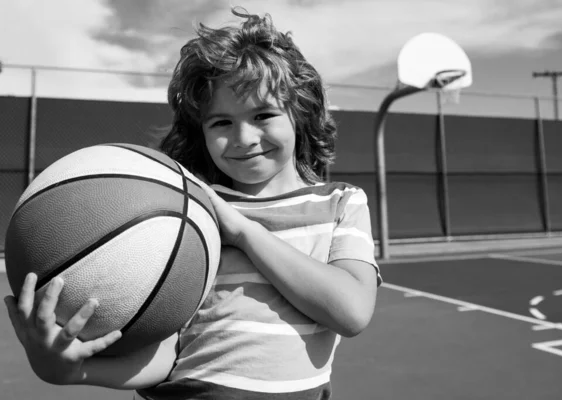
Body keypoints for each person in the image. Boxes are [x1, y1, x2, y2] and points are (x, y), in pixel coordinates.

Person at [4, 7, 381, 400]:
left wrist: (243, 232)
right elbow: (168, 356)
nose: (244, 137)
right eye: (221, 123)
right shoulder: (191, 208)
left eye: (263, 114)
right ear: (200, 131)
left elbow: (350, 312)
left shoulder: (340, 204)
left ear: (300, 114)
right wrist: (70, 371)